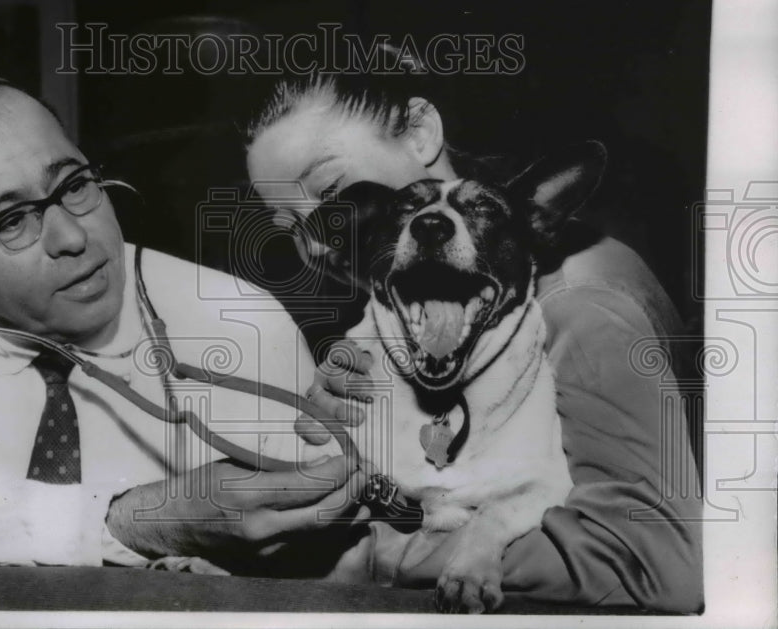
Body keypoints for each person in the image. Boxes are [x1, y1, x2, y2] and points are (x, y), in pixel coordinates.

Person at [0, 74, 366, 590]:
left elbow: (327, 562)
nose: (72, 236)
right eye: (9, 221)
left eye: (75, 185)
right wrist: (133, 521)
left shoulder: (239, 317)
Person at [242, 69, 703, 612]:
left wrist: (373, 554)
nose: (317, 241)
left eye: (331, 192)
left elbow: (654, 565)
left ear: (420, 132)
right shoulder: (421, 299)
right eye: (287, 225)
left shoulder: (579, 304)